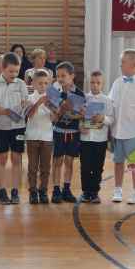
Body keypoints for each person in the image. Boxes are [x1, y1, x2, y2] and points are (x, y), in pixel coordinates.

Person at [108, 49, 135, 205]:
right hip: (117, 131)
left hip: (133, 132)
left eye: (123, 62)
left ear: (134, 64)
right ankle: (118, 190)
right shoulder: (117, 82)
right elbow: (110, 104)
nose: (120, 65)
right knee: (118, 161)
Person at [0, 52, 29, 205]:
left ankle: (15, 191)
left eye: (16, 71)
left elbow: (25, 104)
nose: (14, 74)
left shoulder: (21, 84)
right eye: (11, 71)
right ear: (3, 69)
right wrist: (7, 112)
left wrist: (24, 107)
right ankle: (2, 191)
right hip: (2, 128)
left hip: (19, 127)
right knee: (3, 158)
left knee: (17, 158)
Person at [50, 61, 85, 204]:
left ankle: (66, 188)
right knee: (57, 161)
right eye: (58, 76)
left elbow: (82, 114)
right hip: (59, 131)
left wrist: (74, 113)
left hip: (73, 132)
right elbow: (53, 117)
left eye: (63, 75)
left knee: (69, 161)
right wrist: (59, 110)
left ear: (72, 76)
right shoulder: (55, 93)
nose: (60, 79)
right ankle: (56, 189)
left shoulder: (79, 93)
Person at [79, 70, 114, 204]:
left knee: (97, 167)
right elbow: (77, 116)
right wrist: (80, 125)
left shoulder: (107, 100)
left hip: (100, 139)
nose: (95, 85)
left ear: (102, 84)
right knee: (85, 167)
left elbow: (111, 119)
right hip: (85, 138)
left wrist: (103, 118)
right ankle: (85, 192)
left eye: (98, 83)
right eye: (92, 82)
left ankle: (94, 192)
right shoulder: (83, 98)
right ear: (89, 83)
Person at [25, 69, 54, 204]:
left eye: (45, 83)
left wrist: (53, 108)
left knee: (45, 167)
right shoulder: (29, 98)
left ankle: (43, 191)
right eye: (40, 83)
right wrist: (39, 102)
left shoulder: (51, 99)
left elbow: (54, 118)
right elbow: (29, 115)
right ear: (34, 84)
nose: (43, 86)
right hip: (32, 136)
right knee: (32, 167)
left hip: (47, 137)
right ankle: (32, 191)